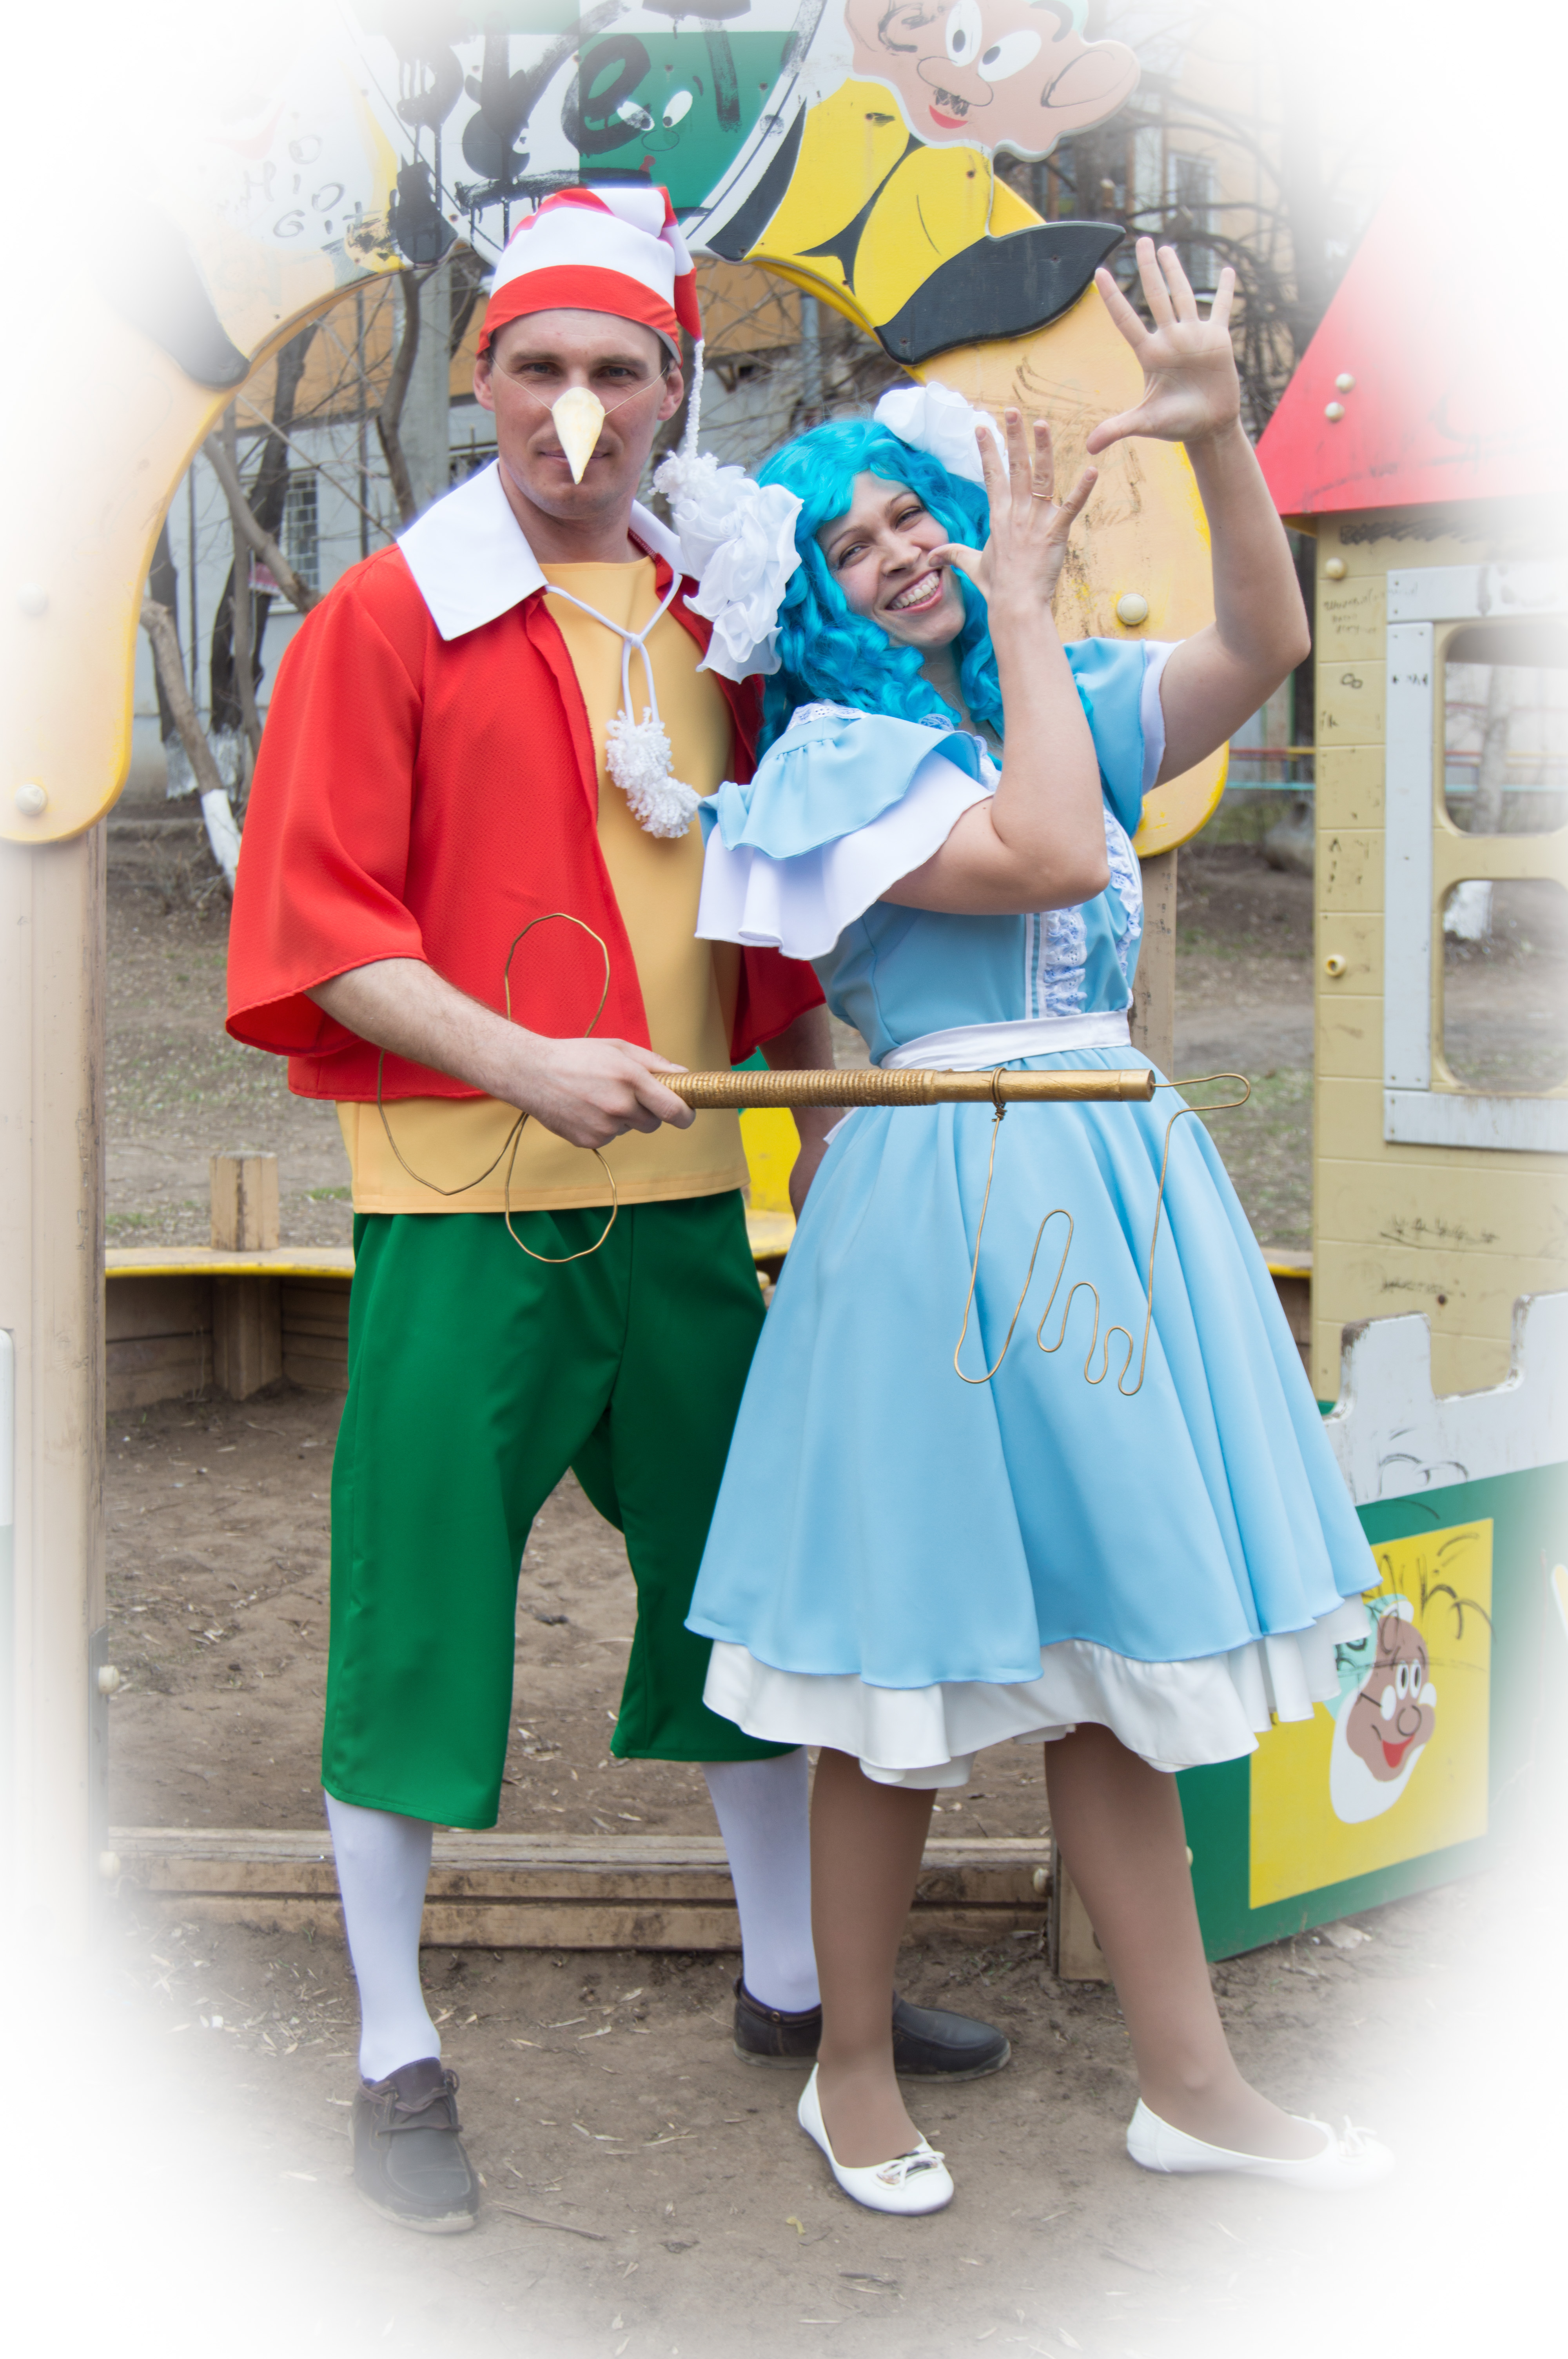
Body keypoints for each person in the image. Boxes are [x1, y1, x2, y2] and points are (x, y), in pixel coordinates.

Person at [226, 182, 1006, 2236]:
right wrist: (520, 1061)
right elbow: (318, 924)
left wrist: (821, 1119)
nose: (575, 405)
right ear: (483, 379)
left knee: (750, 1598)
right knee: (418, 1613)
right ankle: (392, 2045)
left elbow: (781, 890)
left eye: (619, 369)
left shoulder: (723, 613)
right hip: (456, 1208)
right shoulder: (385, 617)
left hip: (686, 1208)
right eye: (538, 365)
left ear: (676, 390)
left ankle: (791, 1983)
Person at [685, 239, 1395, 2214]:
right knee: (895, 1672)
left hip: (1114, 1179)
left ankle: (1192, 2083)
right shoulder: (834, 767)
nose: (897, 555)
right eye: (851, 548)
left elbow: (1261, 640)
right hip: (937, 1205)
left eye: (912, 514)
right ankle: (845, 2068)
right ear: (813, 600)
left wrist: (1222, 435)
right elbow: (1057, 848)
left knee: (1112, 1652)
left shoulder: (1059, 691)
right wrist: (1015, 592)